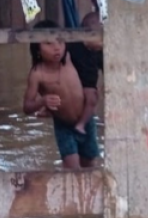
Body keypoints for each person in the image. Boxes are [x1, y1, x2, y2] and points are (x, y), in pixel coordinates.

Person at [23, 20, 100, 169]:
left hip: (86, 120)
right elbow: (27, 107)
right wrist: (42, 101)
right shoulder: (37, 74)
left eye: (60, 41)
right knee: (73, 169)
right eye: (48, 44)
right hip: (63, 125)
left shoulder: (70, 58)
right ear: (37, 48)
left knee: (90, 167)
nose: (56, 48)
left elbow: (90, 48)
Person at [66, 11, 104, 135]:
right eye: (98, 37)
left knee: (92, 99)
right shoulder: (75, 46)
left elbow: (106, 69)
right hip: (73, 83)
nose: (101, 42)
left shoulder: (99, 53)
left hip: (89, 86)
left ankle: (81, 125)